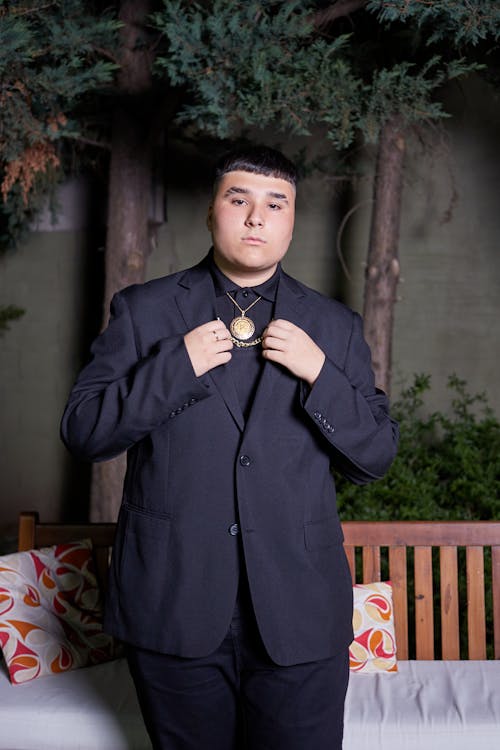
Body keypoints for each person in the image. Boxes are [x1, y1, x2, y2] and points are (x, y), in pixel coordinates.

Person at [61, 145, 399, 750]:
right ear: (212, 211)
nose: (256, 218)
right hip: (173, 605)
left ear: (292, 220)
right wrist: (174, 368)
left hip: (298, 612)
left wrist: (321, 374)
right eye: (238, 199)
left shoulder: (334, 328)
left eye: (276, 204)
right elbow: (85, 432)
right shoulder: (144, 312)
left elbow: (374, 458)